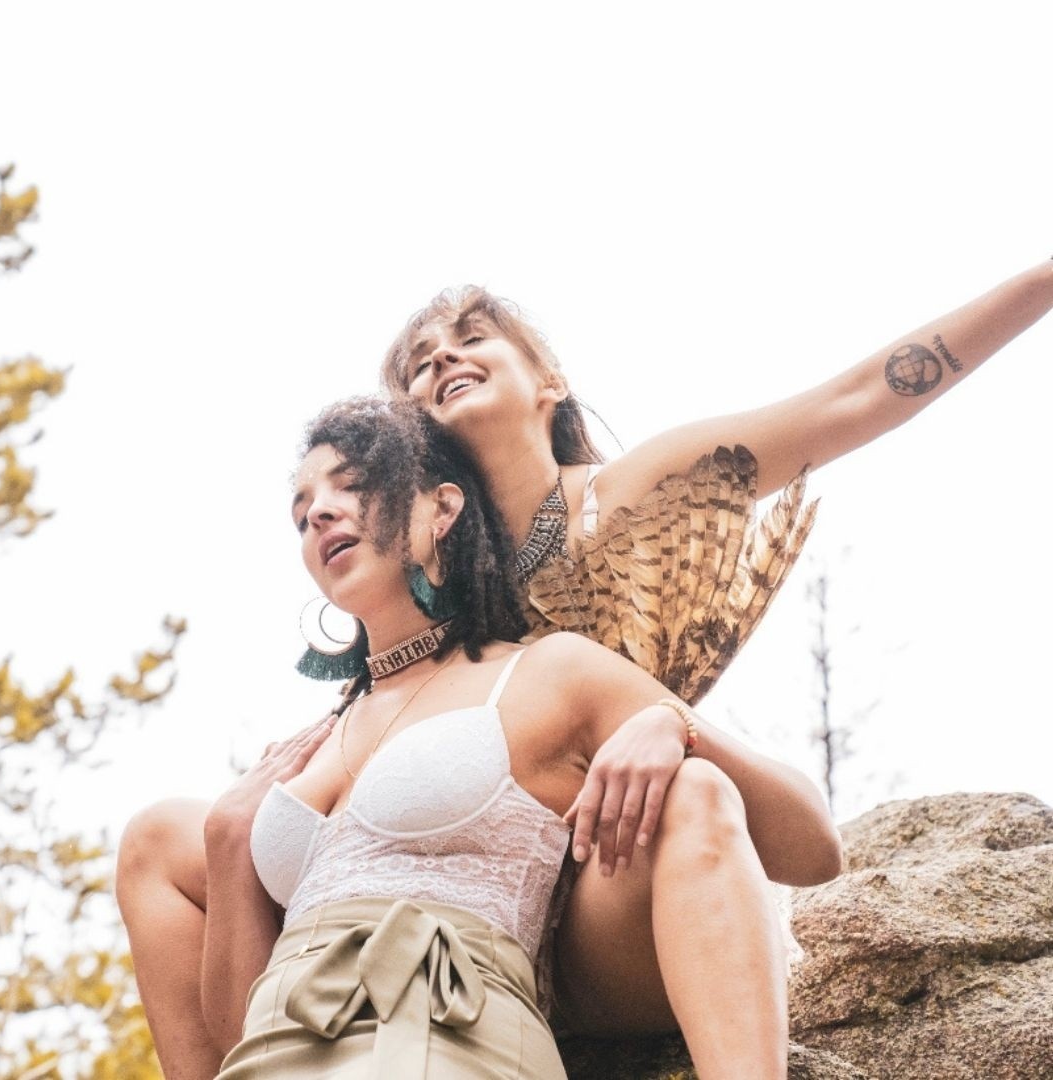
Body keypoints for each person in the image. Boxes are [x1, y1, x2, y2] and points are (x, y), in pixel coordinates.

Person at [373, 256, 1053, 1034]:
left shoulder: (624, 498)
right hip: (461, 915)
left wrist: (1044, 282)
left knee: (694, 791)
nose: (443, 357)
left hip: (615, 891)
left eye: (470, 338)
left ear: (548, 382)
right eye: (420, 363)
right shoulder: (414, 574)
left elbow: (855, 398)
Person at [128, 397, 838, 1079]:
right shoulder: (310, 747)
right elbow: (241, 1037)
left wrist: (675, 725)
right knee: (154, 833)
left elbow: (813, 845)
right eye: (301, 510)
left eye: (353, 485)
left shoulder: (545, 673)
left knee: (697, 785)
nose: (317, 512)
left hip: (456, 1039)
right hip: (285, 1054)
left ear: (441, 509)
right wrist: (229, 838)